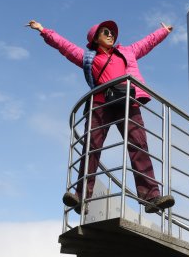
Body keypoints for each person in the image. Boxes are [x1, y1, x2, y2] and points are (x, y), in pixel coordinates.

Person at [27, 19, 176, 214]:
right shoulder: (87, 57)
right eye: (105, 32)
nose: (110, 35)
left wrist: (163, 32)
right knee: (91, 147)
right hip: (100, 103)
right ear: (95, 38)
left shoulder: (127, 52)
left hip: (126, 102)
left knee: (139, 145)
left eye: (112, 33)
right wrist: (43, 30)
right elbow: (63, 46)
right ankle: (81, 197)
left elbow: (146, 43)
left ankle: (151, 197)